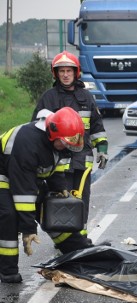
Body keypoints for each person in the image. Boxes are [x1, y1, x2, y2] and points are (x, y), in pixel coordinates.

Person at [0, 108, 88, 284]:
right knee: (9, 215)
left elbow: (58, 169)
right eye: (65, 143)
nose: (67, 147)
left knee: (55, 209)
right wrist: (28, 229)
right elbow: (23, 192)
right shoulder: (28, 142)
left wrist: (61, 189)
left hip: (28, 178)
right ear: (52, 134)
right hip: (4, 175)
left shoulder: (62, 142)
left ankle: (80, 250)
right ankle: (8, 272)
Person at [32, 51, 109, 241]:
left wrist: (102, 149)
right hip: (57, 162)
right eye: (61, 71)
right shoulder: (48, 98)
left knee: (82, 200)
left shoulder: (86, 97)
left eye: (69, 71)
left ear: (76, 73)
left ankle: (81, 238)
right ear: (56, 74)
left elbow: (97, 125)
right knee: (60, 201)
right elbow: (37, 127)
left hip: (82, 162)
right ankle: (66, 239)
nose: (65, 74)